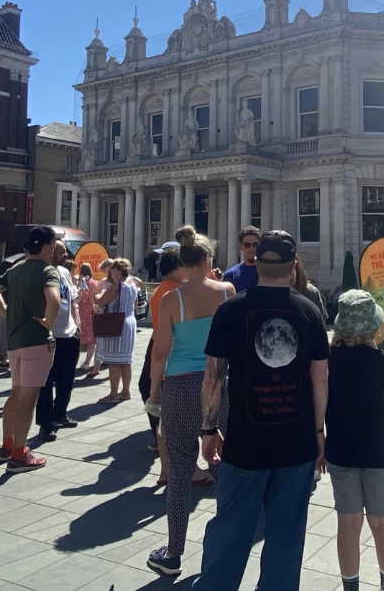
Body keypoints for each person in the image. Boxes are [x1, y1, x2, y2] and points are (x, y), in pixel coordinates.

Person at [193, 230, 330, 591]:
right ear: (293, 266)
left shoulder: (231, 309)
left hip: (245, 439)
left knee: (231, 528)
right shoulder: (309, 311)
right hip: (296, 440)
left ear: (257, 264)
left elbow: (213, 378)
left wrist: (208, 430)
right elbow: (321, 379)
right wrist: (319, 433)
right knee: (287, 534)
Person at [145, 227, 232, 576]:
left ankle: (173, 551)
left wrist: (154, 393)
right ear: (208, 259)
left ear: (182, 261)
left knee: (180, 469)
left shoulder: (170, 300)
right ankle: (228, 541)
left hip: (179, 384)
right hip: (220, 383)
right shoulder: (227, 292)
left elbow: (160, 353)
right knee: (222, 462)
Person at [326, 290, 384, 591]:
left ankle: (350, 586)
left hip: (340, 447)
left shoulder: (327, 361)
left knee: (348, 522)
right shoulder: (380, 360)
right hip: (377, 448)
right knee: (382, 522)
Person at [0, 226, 62, 473]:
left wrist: (5, 312)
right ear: (48, 246)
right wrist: (48, 323)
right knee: (29, 399)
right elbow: (54, 299)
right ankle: (19, 454)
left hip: (14, 341)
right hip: (36, 341)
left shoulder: (15, 268)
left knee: (16, 394)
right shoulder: (46, 270)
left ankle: (7, 446)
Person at [139, 243, 182, 461]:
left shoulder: (162, 289)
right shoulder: (174, 291)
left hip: (163, 349)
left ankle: (160, 442)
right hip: (171, 353)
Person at [36, 241, 82, 442]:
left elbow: (72, 301)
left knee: (67, 379)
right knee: (46, 382)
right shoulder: (41, 273)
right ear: (50, 252)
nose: (66, 255)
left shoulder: (63, 272)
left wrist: (78, 328)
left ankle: (60, 413)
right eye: (62, 252)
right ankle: (46, 424)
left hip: (69, 333)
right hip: (49, 335)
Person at [94, 258, 139, 404]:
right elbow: (135, 305)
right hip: (129, 321)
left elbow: (101, 302)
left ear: (119, 270)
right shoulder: (132, 284)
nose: (110, 271)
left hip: (116, 323)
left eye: (113, 268)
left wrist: (96, 296)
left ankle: (113, 394)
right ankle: (126, 391)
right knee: (126, 360)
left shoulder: (116, 285)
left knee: (114, 360)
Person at [76, 262, 101, 378]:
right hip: (90, 314)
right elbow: (98, 295)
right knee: (91, 340)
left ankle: (75, 361)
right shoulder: (93, 283)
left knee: (78, 338)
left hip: (80, 313)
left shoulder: (78, 282)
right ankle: (87, 362)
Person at [221, 226, 260, 293]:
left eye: (255, 244)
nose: (252, 249)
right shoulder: (231, 275)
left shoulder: (267, 273)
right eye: (247, 245)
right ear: (241, 247)